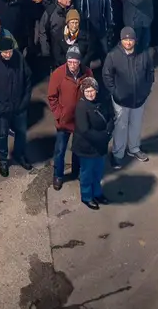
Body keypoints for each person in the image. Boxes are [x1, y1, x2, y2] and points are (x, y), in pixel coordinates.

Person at [102, 27, 154, 168]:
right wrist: (115, 92)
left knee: (136, 125)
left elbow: (150, 72)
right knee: (120, 127)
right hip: (121, 101)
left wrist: (146, 90)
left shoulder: (143, 54)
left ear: (135, 40)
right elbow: (107, 76)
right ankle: (118, 154)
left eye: (131, 39)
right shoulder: (113, 56)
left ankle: (134, 149)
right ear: (121, 40)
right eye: (126, 39)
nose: (128, 42)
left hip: (139, 99)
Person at [0, 36, 32, 177]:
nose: (8, 55)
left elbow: (28, 79)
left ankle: (19, 155)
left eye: (10, 52)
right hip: (2, 107)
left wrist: (25, 101)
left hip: (19, 105)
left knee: (21, 132)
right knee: (2, 134)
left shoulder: (19, 58)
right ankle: (3, 160)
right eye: (5, 52)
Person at [46, 47, 85, 190]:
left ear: (79, 62)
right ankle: (58, 175)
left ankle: (77, 171)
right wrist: (59, 114)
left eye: (75, 62)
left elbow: (92, 91)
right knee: (60, 150)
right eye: (70, 62)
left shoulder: (87, 73)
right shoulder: (58, 74)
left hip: (80, 119)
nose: (73, 65)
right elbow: (51, 96)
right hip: (64, 120)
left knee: (78, 148)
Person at [73, 77, 111, 210]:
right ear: (83, 92)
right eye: (87, 91)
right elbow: (84, 130)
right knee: (87, 174)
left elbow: (111, 117)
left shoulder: (102, 101)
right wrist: (103, 137)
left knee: (98, 172)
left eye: (92, 90)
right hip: (87, 148)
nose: (90, 93)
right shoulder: (81, 106)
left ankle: (97, 193)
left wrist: (109, 131)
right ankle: (87, 197)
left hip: (100, 146)